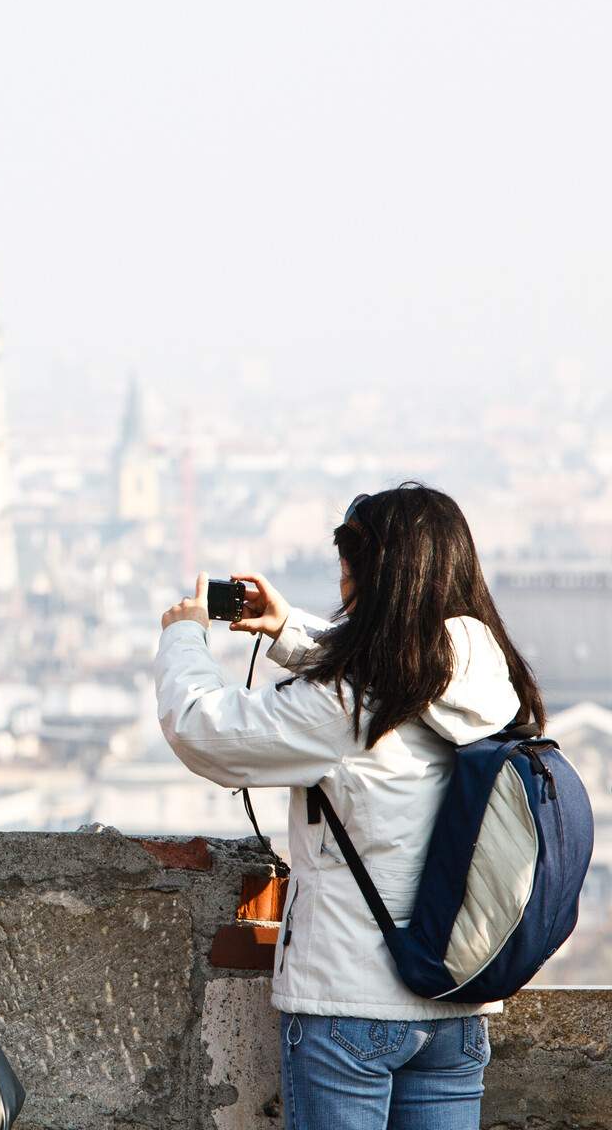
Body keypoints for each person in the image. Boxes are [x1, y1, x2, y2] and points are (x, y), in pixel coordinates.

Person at [155, 484, 545, 1130]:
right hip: (457, 1003)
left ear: (381, 583)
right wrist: (289, 631)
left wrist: (183, 641)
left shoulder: (349, 705)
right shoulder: (485, 676)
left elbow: (207, 731)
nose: (343, 592)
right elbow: (393, 669)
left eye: (350, 575)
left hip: (350, 1000)